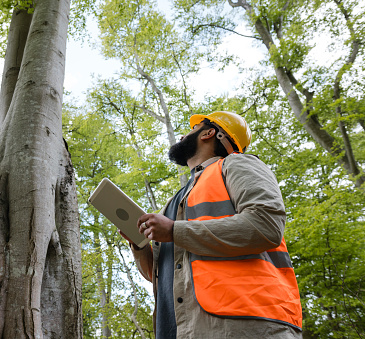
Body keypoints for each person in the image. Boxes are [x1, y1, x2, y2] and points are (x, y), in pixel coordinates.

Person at [120, 111, 302, 338]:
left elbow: (265, 226)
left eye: (192, 129)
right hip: (181, 330)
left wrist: (174, 230)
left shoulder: (236, 164)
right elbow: (160, 274)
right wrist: (139, 246)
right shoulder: (173, 202)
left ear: (209, 133)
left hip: (244, 325)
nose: (184, 135)